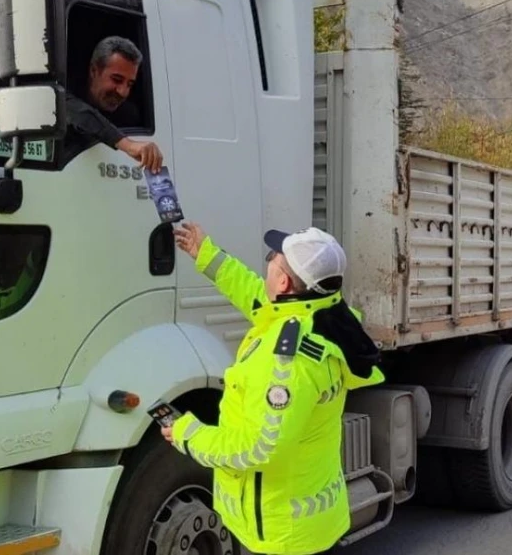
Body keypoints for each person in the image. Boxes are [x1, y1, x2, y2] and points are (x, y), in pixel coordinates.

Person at [163, 222, 385, 555]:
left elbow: (257, 448)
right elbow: (252, 293)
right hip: (307, 523)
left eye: (273, 258)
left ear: (283, 283)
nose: (266, 261)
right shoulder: (325, 317)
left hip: (283, 536)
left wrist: (187, 433)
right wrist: (204, 253)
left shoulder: (290, 363)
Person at [63, 35, 163, 172]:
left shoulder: (128, 114)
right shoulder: (67, 92)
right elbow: (76, 111)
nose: (123, 92)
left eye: (130, 84)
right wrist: (127, 144)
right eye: (116, 79)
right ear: (94, 71)